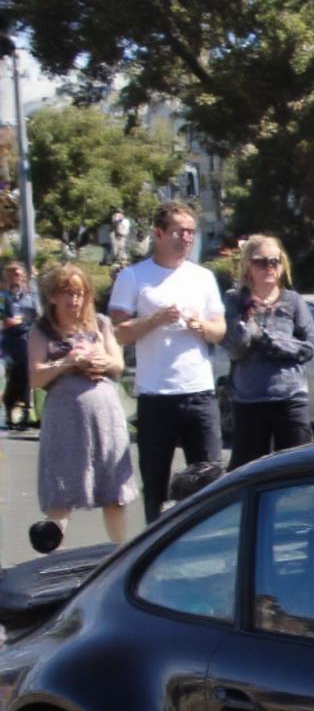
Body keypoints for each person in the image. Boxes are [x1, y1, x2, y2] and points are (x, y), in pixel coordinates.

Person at [109, 199, 227, 523]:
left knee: (212, 479)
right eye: (179, 232)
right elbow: (118, 332)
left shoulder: (203, 277)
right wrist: (155, 319)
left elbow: (220, 330)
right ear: (158, 234)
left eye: (191, 232)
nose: (186, 239)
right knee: (157, 483)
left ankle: (212, 546)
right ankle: (155, 548)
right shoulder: (134, 277)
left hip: (199, 391)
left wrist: (201, 326)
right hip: (156, 395)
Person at [27, 263, 137, 543]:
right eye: (67, 293)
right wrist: (67, 362)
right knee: (61, 496)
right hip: (65, 422)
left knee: (114, 495)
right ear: (52, 297)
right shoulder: (42, 331)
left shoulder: (100, 324)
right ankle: (50, 561)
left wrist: (102, 360)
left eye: (80, 293)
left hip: (105, 420)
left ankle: (119, 556)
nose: (74, 299)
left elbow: (118, 364)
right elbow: (36, 377)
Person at [222, 233, 314, 467]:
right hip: (249, 400)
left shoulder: (293, 301)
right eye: (261, 261)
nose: (269, 267)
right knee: (249, 473)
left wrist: (264, 338)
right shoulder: (235, 300)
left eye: (274, 261)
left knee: (298, 469)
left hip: (290, 397)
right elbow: (234, 347)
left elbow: (308, 347)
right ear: (248, 266)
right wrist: (250, 327)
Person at [2, 259, 40, 429]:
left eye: (19, 275)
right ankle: (13, 405)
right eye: (12, 275)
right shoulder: (3, 298)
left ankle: (24, 408)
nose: (16, 278)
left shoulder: (31, 297)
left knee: (27, 370)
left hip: (28, 339)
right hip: (8, 342)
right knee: (18, 369)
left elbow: (39, 316)